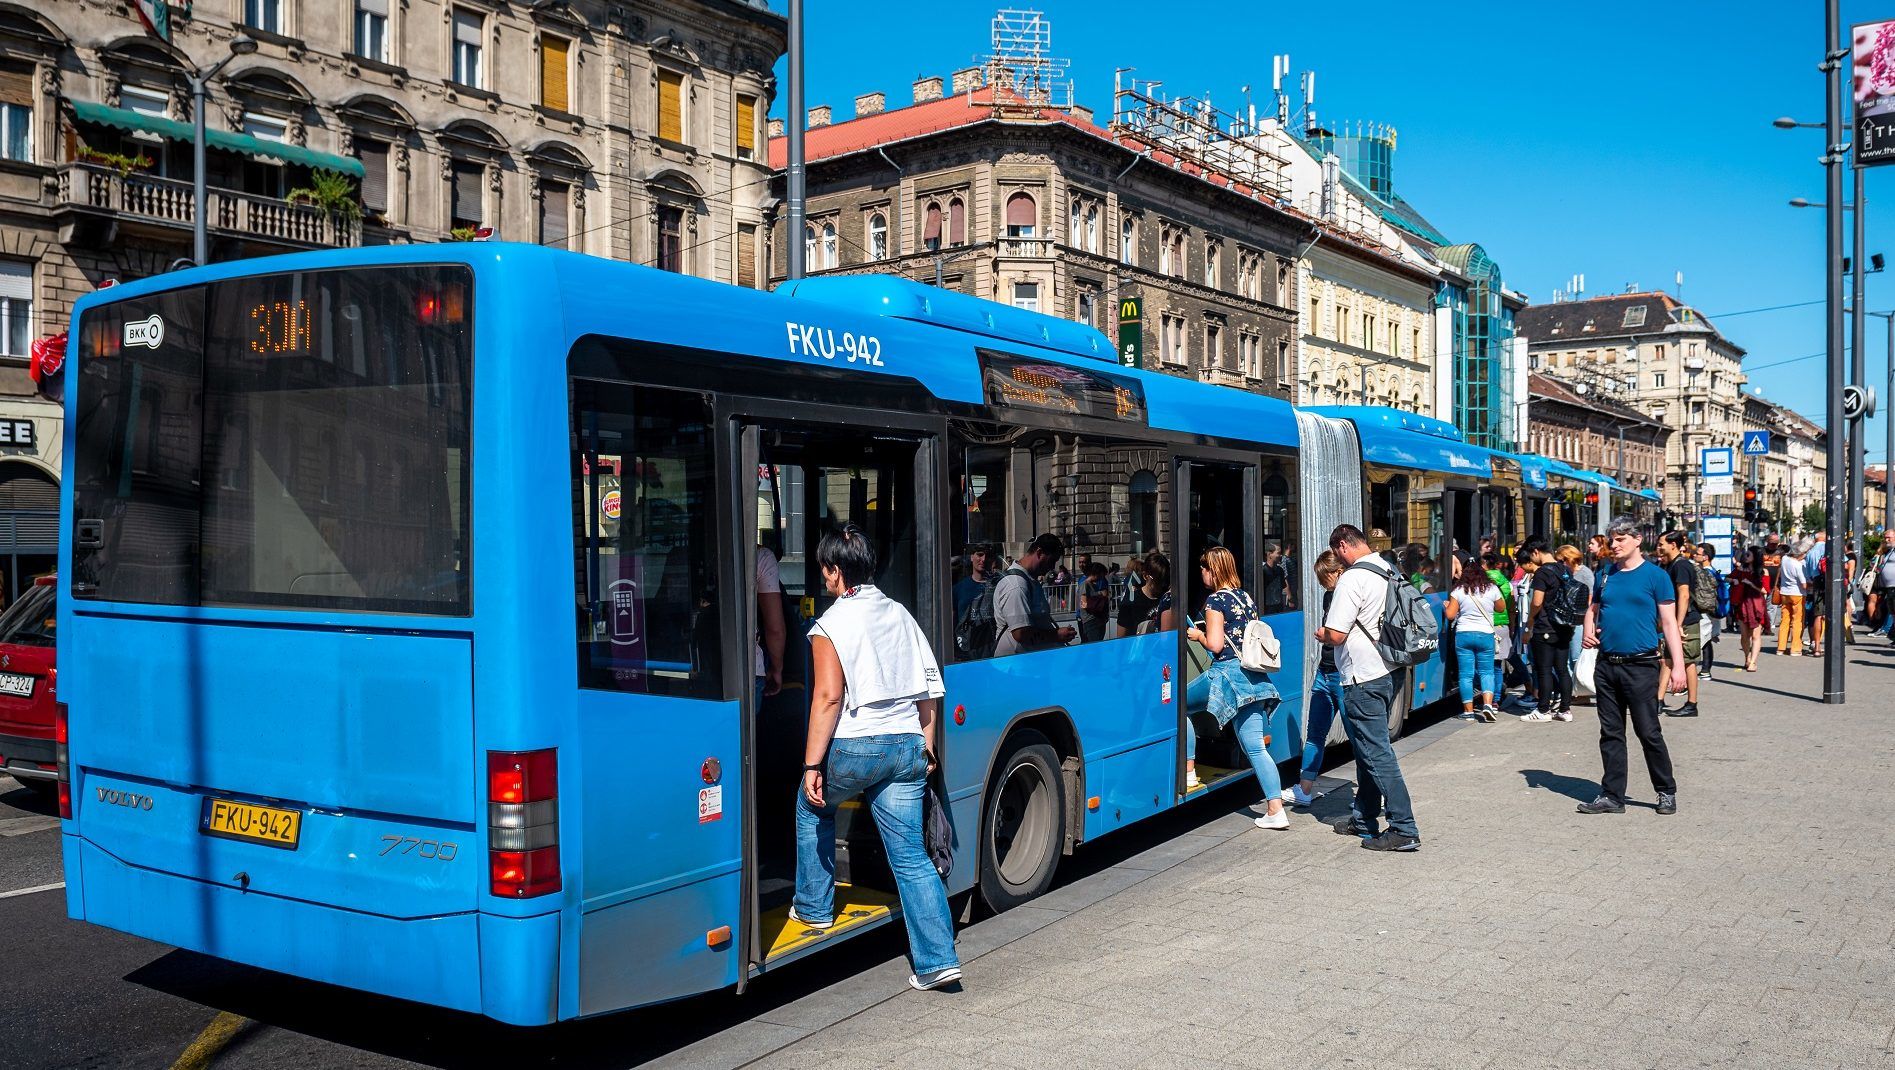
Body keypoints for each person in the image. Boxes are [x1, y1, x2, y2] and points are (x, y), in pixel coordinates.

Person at [793, 526, 961, 992]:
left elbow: (828, 698)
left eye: (825, 568)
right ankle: (937, 961)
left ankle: (813, 908)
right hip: (908, 744)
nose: (823, 576)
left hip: (859, 746)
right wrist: (928, 748)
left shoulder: (830, 624)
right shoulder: (901, 614)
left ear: (836, 571)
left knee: (812, 806)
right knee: (910, 855)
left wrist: (811, 767)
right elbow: (929, 692)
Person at [1317, 524, 1421, 852]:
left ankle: (1404, 828)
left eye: (1338, 553)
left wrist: (1323, 634)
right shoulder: (1388, 568)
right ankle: (1363, 818)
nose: (1339, 560)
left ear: (1344, 546)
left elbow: (1337, 633)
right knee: (1366, 747)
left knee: (1377, 752)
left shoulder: (1351, 578)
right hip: (1391, 669)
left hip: (1364, 676)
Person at [1578, 516, 1687, 817]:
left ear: (1638, 540)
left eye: (1621, 539)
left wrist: (1678, 666)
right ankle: (1613, 795)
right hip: (1607, 665)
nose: (1614, 544)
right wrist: (1588, 628)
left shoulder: (1656, 576)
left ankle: (1665, 791)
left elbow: (1668, 623)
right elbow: (1593, 607)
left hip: (1641, 666)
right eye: (1611, 539)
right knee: (1610, 733)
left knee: (1648, 731)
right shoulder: (1605, 574)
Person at [1182, 547, 1290, 829]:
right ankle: (1275, 809)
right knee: (1255, 747)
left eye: (1204, 568)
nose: (1202, 573)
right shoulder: (1245, 597)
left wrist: (1198, 634)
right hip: (1252, 676)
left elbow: (1216, 645)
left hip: (1225, 676)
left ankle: (1189, 771)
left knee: (1176, 706)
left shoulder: (1215, 601)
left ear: (1214, 570)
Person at [1285, 551, 1346, 807]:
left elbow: (1344, 634)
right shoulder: (1329, 596)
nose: (1322, 584)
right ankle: (1305, 789)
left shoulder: (1349, 595)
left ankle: (1374, 794)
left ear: (1338, 572)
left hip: (1344, 675)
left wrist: (1327, 635)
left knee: (1361, 736)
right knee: (1315, 733)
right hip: (1325, 670)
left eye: (1324, 578)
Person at [993, 533, 1076, 657]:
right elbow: (1021, 633)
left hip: (1028, 663)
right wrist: (1056, 635)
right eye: (1051, 560)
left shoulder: (1029, 580)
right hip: (1016, 666)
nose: (1052, 567)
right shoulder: (1017, 585)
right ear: (1039, 552)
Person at [1444, 552, 1504, 722]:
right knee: (1487, 672)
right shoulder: (1491, 588)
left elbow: (1450, 615)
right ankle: (1487, 705)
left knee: (1466, 674)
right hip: (1485, 634)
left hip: (1464, 635)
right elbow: (1501, 608)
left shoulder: (1459, 590)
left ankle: (1468, 711)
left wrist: (1446, 605)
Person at [1522, 538, 1577, 723]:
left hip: (1545, 626)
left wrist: (1530, 621)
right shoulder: (1565, 569)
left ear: (1536, 552)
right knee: (1562, 669)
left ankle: (1543, 709)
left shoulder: (1542, 573)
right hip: (1564, 626)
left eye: (1531, 555)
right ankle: (1565, 710)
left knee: (1544, 669)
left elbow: (1537, 601)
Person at [1654, 532, 1702, 719]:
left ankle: (1691, 703)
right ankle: (1659, 700)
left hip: (1686, 620)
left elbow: (1684, 595)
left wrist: (1678, 624)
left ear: (1673, 545)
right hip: (1677, 620)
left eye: (1661, 544)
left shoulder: (1681, 566)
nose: (1658, 547)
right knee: (1668, 658)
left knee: (1687, 661)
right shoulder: (1670, 564)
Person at [757, 543, 787, 708]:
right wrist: (777, 669)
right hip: (747, 666)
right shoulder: (761, 556)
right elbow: (774, 629)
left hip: (689, 664)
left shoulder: (681, 553)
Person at [1730, 546, 1769, 672]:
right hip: (1743, 604)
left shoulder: (1763, 572)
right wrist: (1734, 579)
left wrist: (1751, 584)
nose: (1745, 556)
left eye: (1748, 555)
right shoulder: (1741, 569)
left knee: (1756, 635)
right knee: (1744, 635)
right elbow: (1726, 577)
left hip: (1756, 604)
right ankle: (1747, 657)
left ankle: (1753, 661)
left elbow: (1765, 591)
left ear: (1755, 557)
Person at [1117, 549, 1172, 638]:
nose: (1162, 584)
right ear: (1146, 576)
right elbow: (1120, 638)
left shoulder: (1168, 598)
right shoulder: (1130, 602)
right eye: (1158, 580)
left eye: (1166, 580)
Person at [1560, 543, 1594, 676]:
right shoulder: (1563, 573)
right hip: (1564, 619)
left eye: (1561, 560)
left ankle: (1578, 689)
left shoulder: (1585, 572)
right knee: (1565, 659)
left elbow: (1590, 598)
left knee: (1576, 656)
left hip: (1580, 619)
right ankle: (1570, 692)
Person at [1775, 538, 1810, 656]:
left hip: (1784, 593)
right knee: (1797, 621)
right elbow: (1804, 584)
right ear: (1800, 554)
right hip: (1797, 594)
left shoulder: (1785, 559)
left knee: (1784, 620)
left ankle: (1781, 647)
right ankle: (1795, 648)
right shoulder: (1798, 565)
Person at [1694, 543, 1721, 680]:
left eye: (1697, 554)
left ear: (1705, 557)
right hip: (1712, 611)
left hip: (1705, 611)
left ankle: (1705, 671)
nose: (1694, 555)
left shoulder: (1705, 572)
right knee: (1706, 640)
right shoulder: (1713, 571)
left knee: (1703, 641)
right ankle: (1705, 670)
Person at [952, 543, 996, 621]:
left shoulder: (997, 586)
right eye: (980, 555)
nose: (983, 559)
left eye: (987, 556)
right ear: (972, 557)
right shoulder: (959, 588)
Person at [1077, 560, 1112, 643]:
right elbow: (1083, 604)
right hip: (1091, 620)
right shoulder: (1085, 585)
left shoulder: (1094, 585)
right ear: (1097, 573)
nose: (1102, 577)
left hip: (1098, 619)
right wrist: (1100, 598)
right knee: (1094, 644)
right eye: (1102, 574)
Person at [1258, 542, 1292, 613]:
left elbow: (1284, 585)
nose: (1280, 555)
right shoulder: (1263, 572)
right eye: (1278, 553)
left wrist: (1290, 598)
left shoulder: (1280, 570)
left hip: (1279, 607)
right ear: (1269, 554)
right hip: (1267, 609)